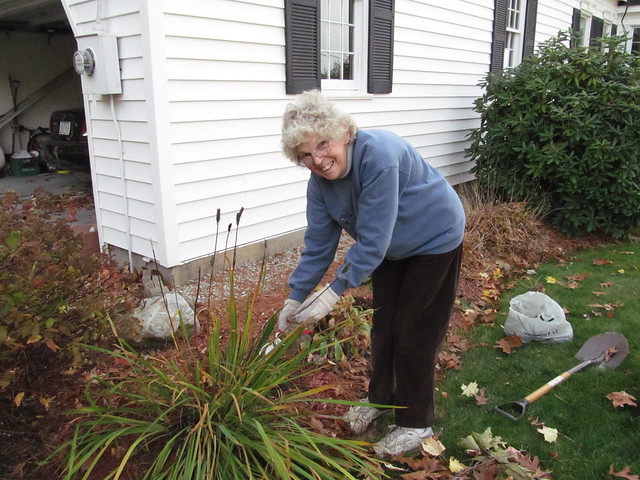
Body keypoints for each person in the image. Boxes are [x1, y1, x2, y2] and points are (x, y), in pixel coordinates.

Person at [278, 90, 465, 458]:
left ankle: (415, 423)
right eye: (304, 155)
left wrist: (332, 293)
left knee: (414, 329)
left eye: (322, 144)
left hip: (434, 237)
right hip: (392, 248)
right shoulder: (319, 186)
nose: (317, 159)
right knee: (384, 326)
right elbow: (318, 245)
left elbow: (374, 241)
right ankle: (381, 398)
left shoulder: (378, 156)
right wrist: (294, 297)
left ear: (343, 133)